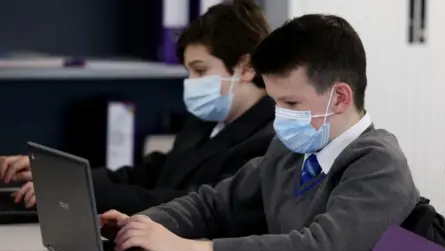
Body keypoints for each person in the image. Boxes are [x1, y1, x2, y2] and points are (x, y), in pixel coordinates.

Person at [95, 14, 427, 251]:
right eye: (276, 100)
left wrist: (190, 249)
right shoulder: (292, 150)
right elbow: (214, 204)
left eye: (291, 103)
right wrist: (143, 224)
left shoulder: (379, 163)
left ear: (339, 97)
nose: (278, 114)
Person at [0, 0, 274, 215]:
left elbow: (195, 201)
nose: (191, 83)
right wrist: (60, 174)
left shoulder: (270, 139)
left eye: (200, 71)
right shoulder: (208, 121)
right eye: (189, 72)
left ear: (246, 67)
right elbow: (150, 174)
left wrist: (80, 192)